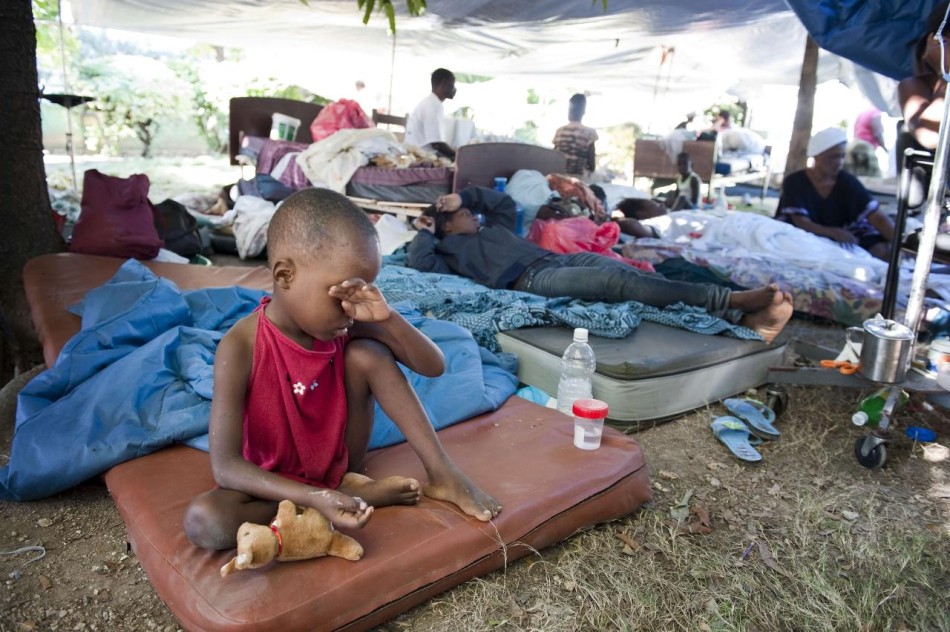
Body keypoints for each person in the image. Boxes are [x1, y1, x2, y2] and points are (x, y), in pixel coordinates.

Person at [183, 188, 500, 551]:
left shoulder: (347, 324)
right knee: (205, 521)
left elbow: (434, 367)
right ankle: (333, 497)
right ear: (285, 276)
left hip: (339, 459)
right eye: (340, 296)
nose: (350, 310)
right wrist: (314, 496)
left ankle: (443, 475)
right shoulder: (239, 347)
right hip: (271, 481)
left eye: (361, 291)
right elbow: (225, 467)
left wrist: (390, 319)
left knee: (368, 354)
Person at [406, 186, 793, 344]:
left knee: (627, 274)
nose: (473, 214)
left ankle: (732, 323)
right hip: (531, 279)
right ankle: (731, 301)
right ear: (444, 225)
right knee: (616, 285)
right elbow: (420, 264)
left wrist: (462, 196)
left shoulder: (491, 228)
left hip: (556, 259)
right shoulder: (449, 252)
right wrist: (425, 228)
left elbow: (503, 204)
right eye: (463, 214)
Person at [776, 127, 895, 261]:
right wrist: (832, 232)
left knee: (882, 251)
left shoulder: (848, 182)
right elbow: (801, 221)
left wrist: (900, 245)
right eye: (833, 157)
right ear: (816, 156)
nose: (839, 162)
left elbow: (877, 217)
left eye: (842, 156)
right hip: (805, 235)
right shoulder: (795, 181)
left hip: (847, 235)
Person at [405, 68, 457, 160]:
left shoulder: (431, 102)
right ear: (444, 84)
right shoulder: (433, 106)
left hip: (418, 154)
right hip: (420, 157)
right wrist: (458, 154)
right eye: (452, 85)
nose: (455, 89)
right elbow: (436, 144)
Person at [553, 94, 599, 179]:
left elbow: (554, 158)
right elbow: (592, 165)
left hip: (560, 178)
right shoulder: (589, 133)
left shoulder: (559, 132)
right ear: (583, 111)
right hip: (579, 181)